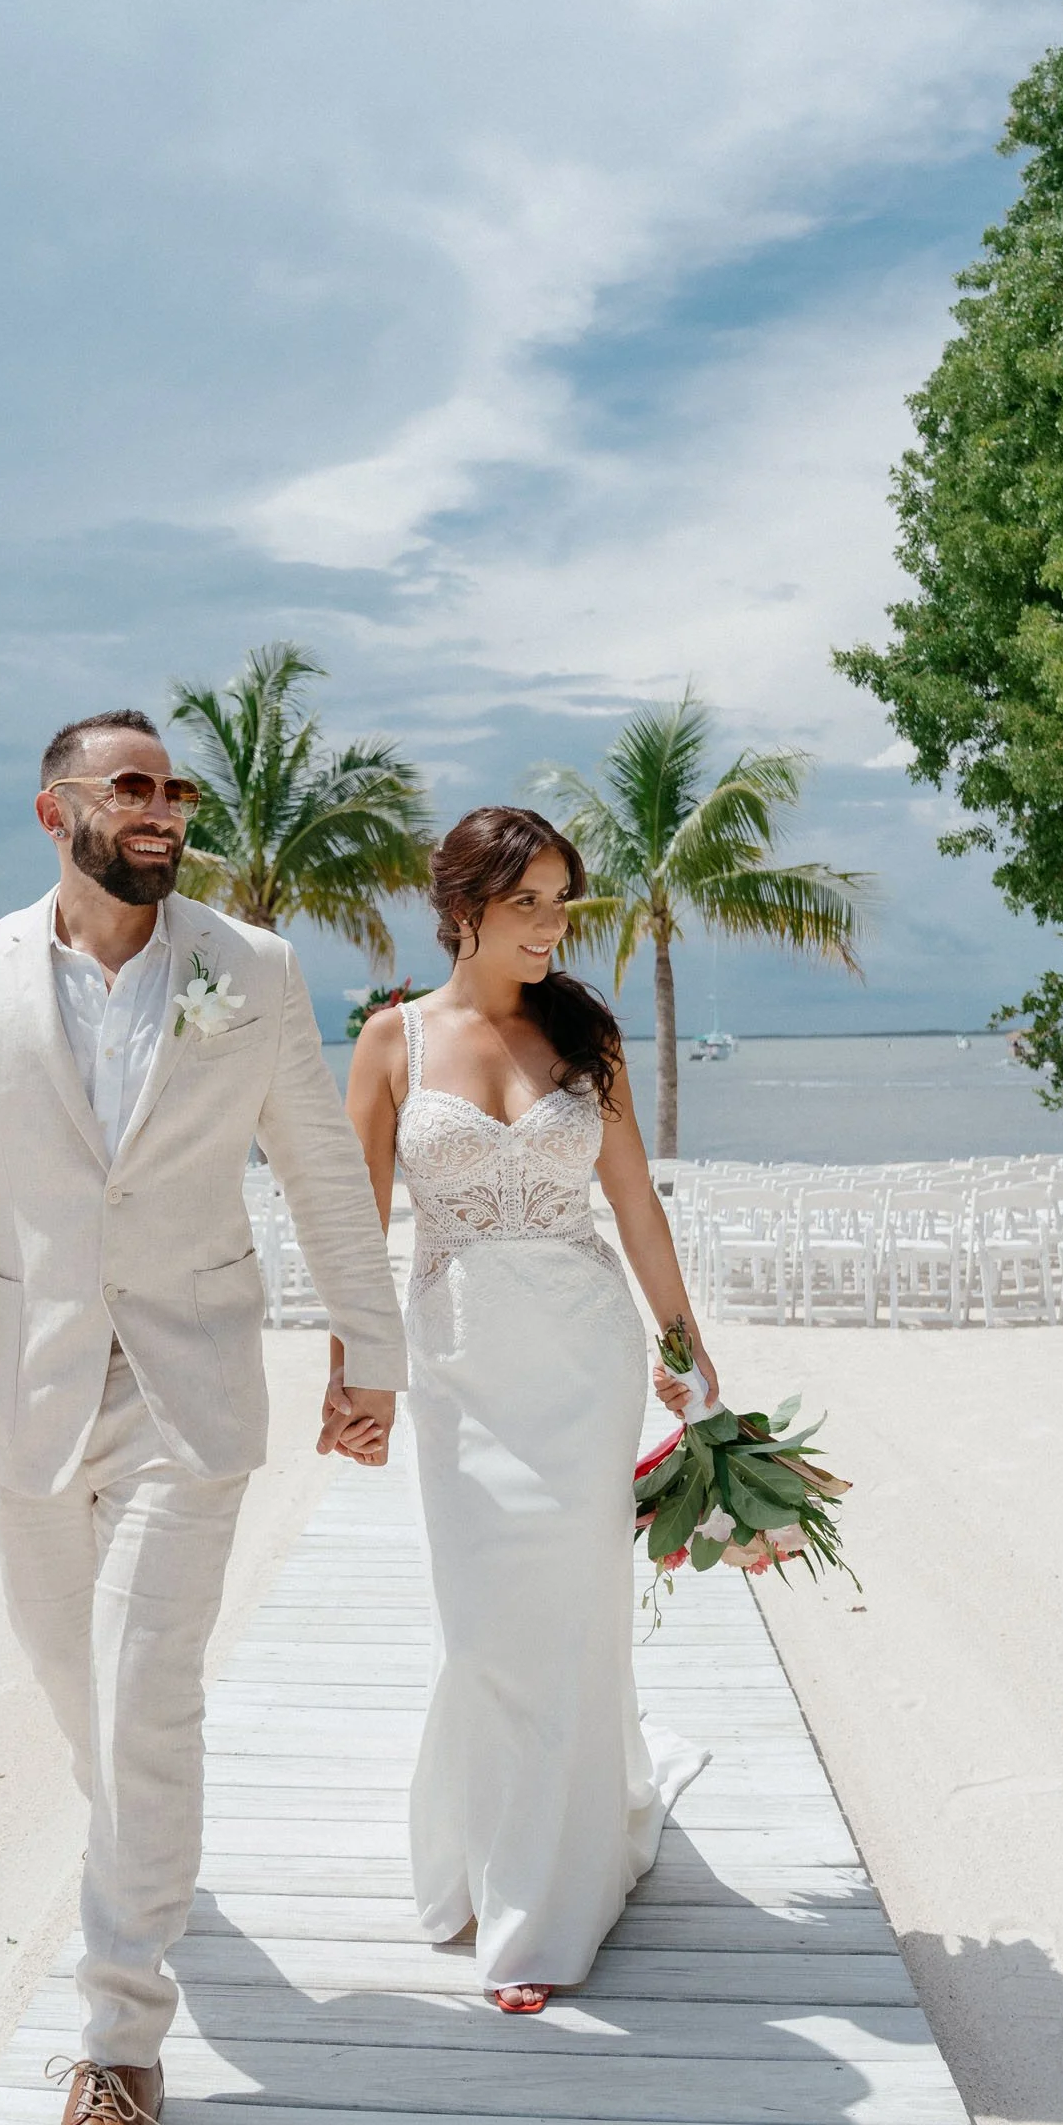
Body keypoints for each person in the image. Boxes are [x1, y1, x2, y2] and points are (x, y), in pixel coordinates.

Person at [0, 708, 405, 2125]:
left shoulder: (252, 971)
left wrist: (371, 1345)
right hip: (22, 1398)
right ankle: (148, 1868)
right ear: (54, 810)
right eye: (132, 787)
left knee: (145, 1696)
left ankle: (117, 2053)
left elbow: (322, 1171)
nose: (163, 810)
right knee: (80, 1705)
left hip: (191, 1394)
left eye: (175, 790)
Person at [327, 804, 713, 2014]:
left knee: (568, 1617)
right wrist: (352, 1374)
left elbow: (636, 1206)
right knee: (489, 1624)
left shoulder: (582, 1034)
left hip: (583, 1363)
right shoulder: (391, 1041)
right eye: (526, 901)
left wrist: (685, 1352)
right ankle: (487, 1851)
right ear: (461, 909)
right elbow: (354, 1231)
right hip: (459, 1371)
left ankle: (543, 1907)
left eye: (560, 899)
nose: (550, 924)